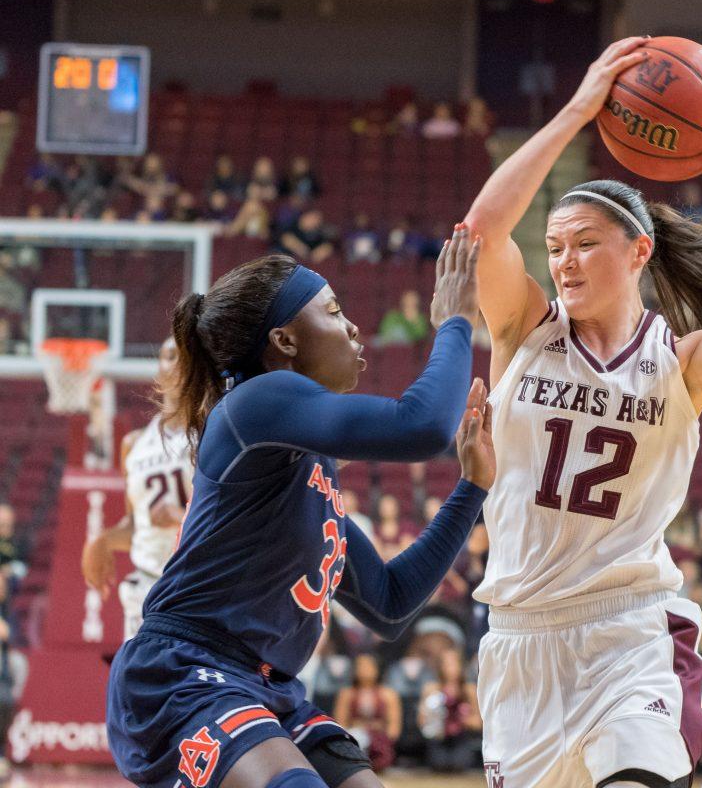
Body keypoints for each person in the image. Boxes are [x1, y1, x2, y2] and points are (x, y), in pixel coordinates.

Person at [462, 37, 702, 788]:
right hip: (520, 640)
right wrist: (578, 111)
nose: (565, 261)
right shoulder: (522, 330)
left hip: (630, 631)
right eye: (554, 247)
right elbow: (480, 235)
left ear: (640, 251)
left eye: (586, 244)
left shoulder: (679, 363)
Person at [106, 233, 495, 788]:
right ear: (284, 341)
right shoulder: (255, 402)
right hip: (186, 671)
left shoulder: (309, 467)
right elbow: (423, 424)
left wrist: (472, 486)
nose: (353, 327)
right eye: (334, 311)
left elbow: (390, 605)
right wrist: (455, 321)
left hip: (268, 688)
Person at [81, 337, 192, 640]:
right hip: (145, 589)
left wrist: (182, 517)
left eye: (188, 355)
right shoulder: (134, 444)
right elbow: (137, 525)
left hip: (196, 590)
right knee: (137, 685)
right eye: (171, 355)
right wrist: (102, 542)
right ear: (158, 371)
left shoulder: (211, 434)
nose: (180, 361)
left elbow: (234, 522)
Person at [333, 654, 401, 772]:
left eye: (368, 666)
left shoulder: (388, 694)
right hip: (354, 740)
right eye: (360, 666)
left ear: (377, 668)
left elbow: (394, 727)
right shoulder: (347, 694)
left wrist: (384, 742)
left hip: (379, 743)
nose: (364, 670)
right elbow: (340, 724)